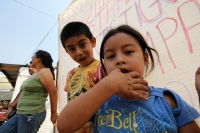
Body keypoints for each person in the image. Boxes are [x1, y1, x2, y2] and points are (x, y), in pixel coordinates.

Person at [57, 25, 200, 133]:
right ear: (104, 66)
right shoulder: (100, 102)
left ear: (145, 58)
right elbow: (64, 125)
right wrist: (108, 85)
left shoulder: (169, 100)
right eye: (111, 56)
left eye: (128, 52)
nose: (119, 60)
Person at [0, 50, 58, 133]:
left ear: (38, 59)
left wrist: (54, 113)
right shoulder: (36, 74)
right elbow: (23, 92)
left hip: (31, 114)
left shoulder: (44, 72)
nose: (31, 60)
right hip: (20, 113)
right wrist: (11, 107)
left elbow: (53, 92)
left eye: (32, 58)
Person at [60, 21, 103, 132]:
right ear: (67, 51)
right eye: (72, 49)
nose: (79, 52)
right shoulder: (71, 74)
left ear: (92, 41)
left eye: (82, 44)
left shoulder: (102, 68)